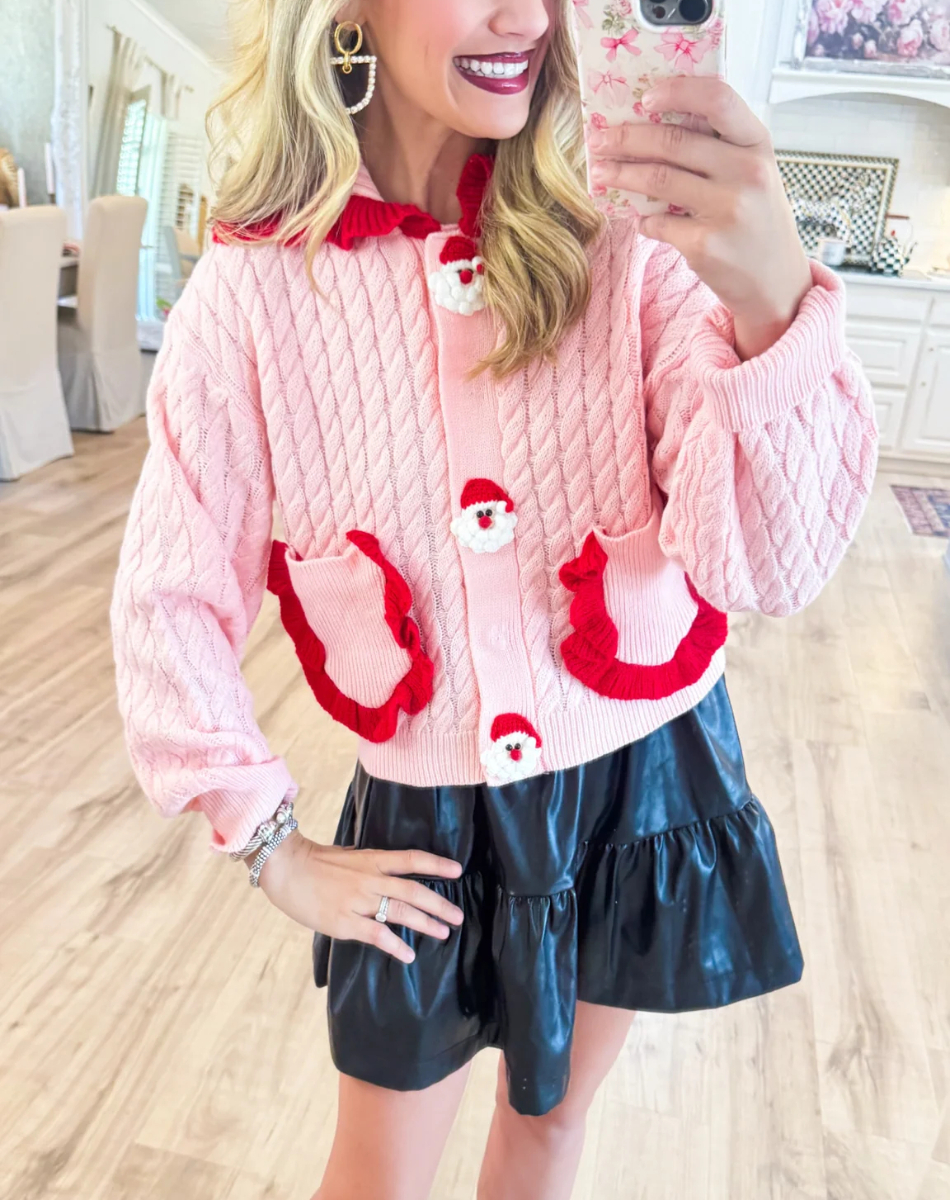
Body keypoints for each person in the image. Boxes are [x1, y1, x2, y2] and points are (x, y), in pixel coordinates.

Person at [108, 2, 880, 1198]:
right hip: (422, 819)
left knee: (550, 1131)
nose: (526, 17)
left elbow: (770, 568)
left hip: (640, 777)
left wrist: (770, 298)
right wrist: (265, 841)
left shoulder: (629, 245)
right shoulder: (255, 289)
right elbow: (169, 591)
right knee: (376, 1176)